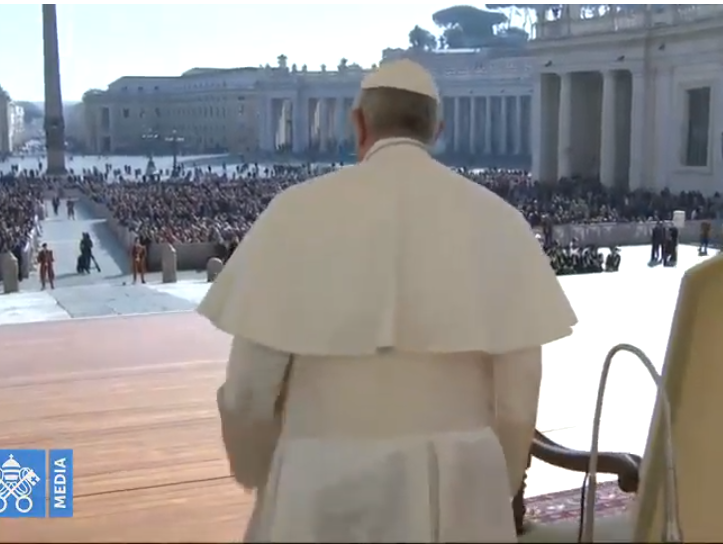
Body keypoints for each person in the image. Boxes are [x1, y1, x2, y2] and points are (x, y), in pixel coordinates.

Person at [197, 59, 578, 542]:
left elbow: (248, 391)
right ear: (437, 131)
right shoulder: (500, 221)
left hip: (319, 481)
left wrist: (261, 470)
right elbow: (520, 395)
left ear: (358, 124)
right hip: (460, 483)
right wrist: (488, 479)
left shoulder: (294, 213)